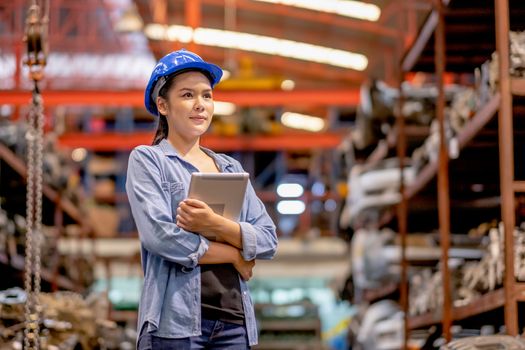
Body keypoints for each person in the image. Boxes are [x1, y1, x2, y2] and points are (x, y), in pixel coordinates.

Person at [126, 49, 278, 350]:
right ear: (162, 105)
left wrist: (214, 223)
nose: (200, 105)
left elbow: (268, 239)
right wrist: (235, 254)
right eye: (187, 95)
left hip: (234, 325)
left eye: (207, 96)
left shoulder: (230, 168)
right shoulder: (149, 161)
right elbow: (161, 237)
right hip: (174, 325)